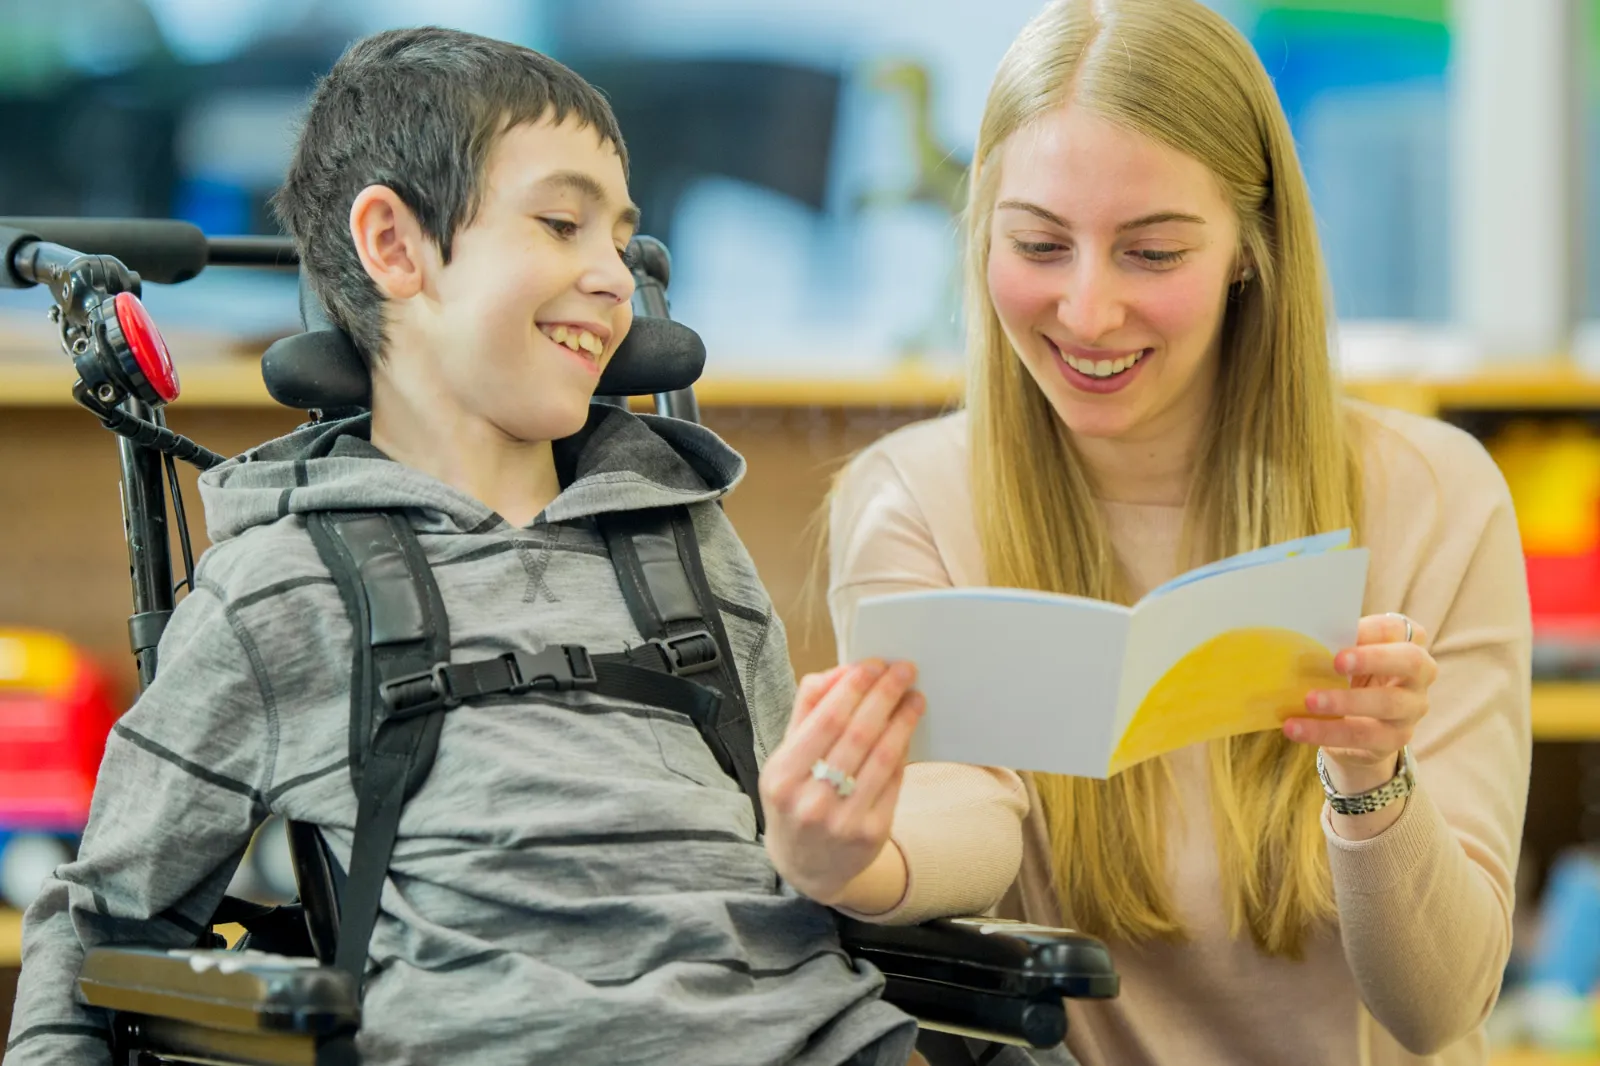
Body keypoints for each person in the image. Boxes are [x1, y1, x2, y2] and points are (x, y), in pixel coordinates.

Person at [4, 28, 929, 1066]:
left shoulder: (684, 539)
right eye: (561, 223)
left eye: (619, 239)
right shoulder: (285, 586)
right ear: (395, 246)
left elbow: (793, 854)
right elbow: (101, 930)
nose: (613, 278)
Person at [821, 1, 1533, 1064]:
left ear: (1249, 252)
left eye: (1151, 253)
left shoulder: (1432, 494)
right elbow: (966, 814)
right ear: (981, 236)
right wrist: (843, 850)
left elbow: (1439, 1006)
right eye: (1038, 244)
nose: (1088, 310)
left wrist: (1370, 773)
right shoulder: (910, 498)